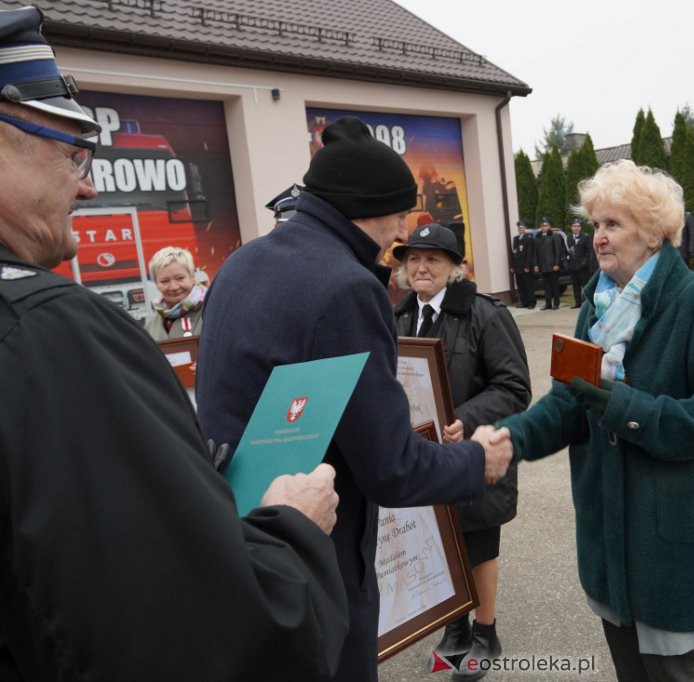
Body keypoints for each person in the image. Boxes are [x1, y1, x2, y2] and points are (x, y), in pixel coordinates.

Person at [0, 7, 349, 680]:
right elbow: (210, 640)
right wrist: (294, 530)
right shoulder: (44, 332)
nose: (90, 182)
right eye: (71, 151)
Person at [196, 116, 513, 682]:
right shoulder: (346, 286)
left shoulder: (241, 262)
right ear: (369, 210)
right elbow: (391, 468)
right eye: (399, 215)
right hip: (312, 557)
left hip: (234, 537)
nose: (401, 232)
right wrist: (476, 461)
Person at [493, 160, 694, 682]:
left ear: (654, 233)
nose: (599, 238)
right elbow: (569, 400)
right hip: (608, 529)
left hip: (670, 533)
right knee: (629, 667)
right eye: (595, 225)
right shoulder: (596, 304)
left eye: (613, 225)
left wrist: (625, 408)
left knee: (677, 669)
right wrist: (509, 439)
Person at [393, 224, 531, 680]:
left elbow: (513, 387)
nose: (420, 267)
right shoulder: (397, 317)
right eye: (413, 258)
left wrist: (465, 420)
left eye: (432, 258)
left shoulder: (484, 313)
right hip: (421, 454)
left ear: (454, 267)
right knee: (435, 538)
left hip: (473, 450)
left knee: (477, 540)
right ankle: (454, 626)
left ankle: (485, 632)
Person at [143, 246, 205, 340]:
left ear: (192, 277)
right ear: (156, 284)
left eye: (180, 278)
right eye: (165, 281)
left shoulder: (209, 311)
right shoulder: (151, 324)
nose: (173, 287)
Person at [533, 216, 566, 309]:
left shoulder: (554, 236)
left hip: (552, 266)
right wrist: (536, 264)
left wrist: (556, 264)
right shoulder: (537, 237)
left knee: (554, 286)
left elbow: (558, 252)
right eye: (542, 225)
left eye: (546, 225)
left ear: (549, 226)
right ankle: (548, 304)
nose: (544, 227)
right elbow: (535, 252)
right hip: (543, 266)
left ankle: (556, 303)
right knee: (546, 287)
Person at [566, 217, 595, 308]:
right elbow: (565, 252)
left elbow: (589, 251)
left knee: (585, 285)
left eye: (578, 226)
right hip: (573, 266)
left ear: (580, 228)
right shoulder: (568, 238)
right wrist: (566, 263)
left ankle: (587, 303)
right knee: (575, 286)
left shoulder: (585, 237)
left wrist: (585, 262)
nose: (576, 228)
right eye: (574, 226)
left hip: (583, 267)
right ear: (571, 228)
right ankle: (577, 302)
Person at [510, 219, 536, 308]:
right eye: (519, 228)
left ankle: (531, 302)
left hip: (526, 267)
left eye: (521, 227)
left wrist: (527, 266)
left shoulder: (528, 238)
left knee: (528, 285)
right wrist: (512, 266)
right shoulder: (516, 239)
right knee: (520, 286)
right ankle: (524, 302)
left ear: (525, 228)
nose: (520, 229)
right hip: (518, 267)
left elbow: (529, 254)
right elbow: (514, 253)